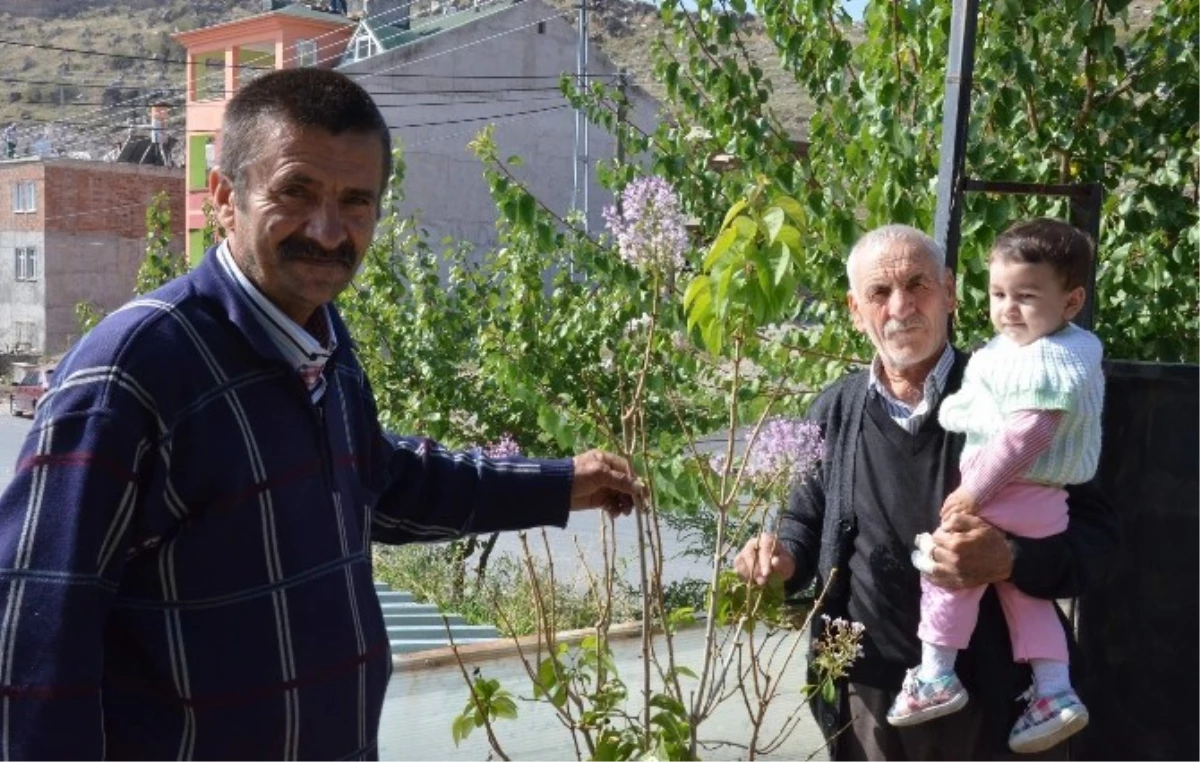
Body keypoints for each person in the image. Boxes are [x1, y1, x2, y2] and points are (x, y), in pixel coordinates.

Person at [0, 68, 642, 761]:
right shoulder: (134, 371)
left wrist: (554, 483)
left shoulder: (323, 342)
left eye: (355, 202)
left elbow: (383, 482)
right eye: (296, 193)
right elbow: (35, 643)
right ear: (224, 197)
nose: (328, 230)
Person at [733, 224, 1117, 762]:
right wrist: (779, 556)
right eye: (879, 293)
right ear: (853, 308)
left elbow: (1097, 541)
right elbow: (803, 521)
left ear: (951, 292)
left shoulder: (1014, 387)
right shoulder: (834, 410)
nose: (900, 306)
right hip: (871, 693)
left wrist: (1010, 559)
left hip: (999, 697)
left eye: (918, 285)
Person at [888, 219, 1103, 754]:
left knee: (948, 566)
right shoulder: (1047, 349)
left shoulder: (1052, 357)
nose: (1008, 309)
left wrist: (973, 493)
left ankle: (936, 674)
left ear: (1072, 301)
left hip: (1012, 490)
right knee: (1026, 594)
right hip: (1043, 502)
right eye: (999, 293)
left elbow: (1028, 434)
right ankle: (1054, 691)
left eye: (1026, 296)